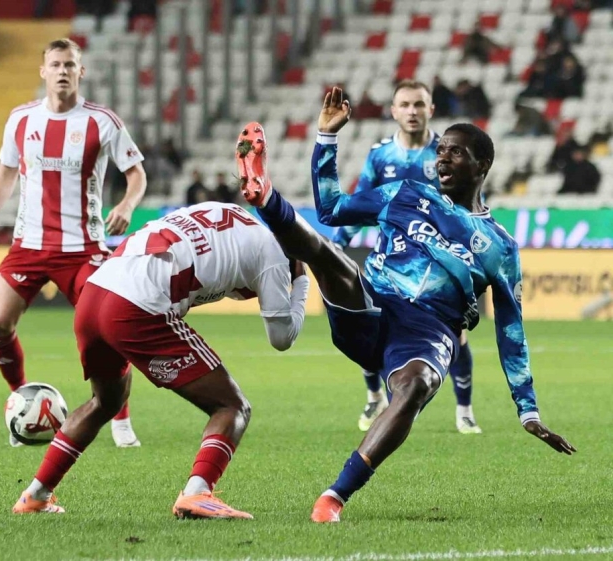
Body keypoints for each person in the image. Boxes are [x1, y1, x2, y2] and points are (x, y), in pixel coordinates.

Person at [236, 87, 576, 524]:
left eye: (456, 152)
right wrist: (327, 138)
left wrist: (527, 409)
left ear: (482, 165)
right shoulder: (406, 193)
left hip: (427, 332)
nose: (443, 158)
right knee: (332, 258)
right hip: (373, 301)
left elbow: (511, 330)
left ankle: (334, 497)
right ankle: (264, 196)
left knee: (416, 385)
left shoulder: (500, 246)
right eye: (442, 150)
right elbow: (333, 208)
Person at [11, 201, 310, 517]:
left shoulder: (230, 213)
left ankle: (35, 496)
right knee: (232, 406)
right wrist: (302, 281)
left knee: (105, 401)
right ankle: (197, 492)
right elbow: (282, 338)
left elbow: (219, 266)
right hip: (136, 307)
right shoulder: (275, 254)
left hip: (95, 292)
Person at [0, 38, 147, 448]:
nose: (63, 71)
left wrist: (126, 204)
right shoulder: (21, 119)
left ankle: (121, 418)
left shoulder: (102, 121)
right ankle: (21, 402)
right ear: (43, 71)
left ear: (80, 72)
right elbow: (7, 171)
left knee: (107, 331)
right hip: (29, 245)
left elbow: (137, 174)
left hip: (84, 248)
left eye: (70, 64)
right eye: (55, 64)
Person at [332, 80, 481, 435]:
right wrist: (337, 245)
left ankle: (464, 409)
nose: (412, 111)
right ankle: (374, 396)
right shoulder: (381, 155)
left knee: (458, 336)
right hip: (390, 263)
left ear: (431, 109)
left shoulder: (446, 155)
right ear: (394, 111)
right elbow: (360, 202)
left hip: (438, 266)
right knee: (370, 327)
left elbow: (470, 207)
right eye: (405, 105)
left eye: (419, 104)